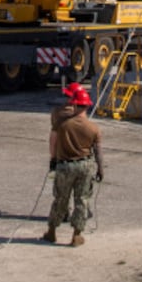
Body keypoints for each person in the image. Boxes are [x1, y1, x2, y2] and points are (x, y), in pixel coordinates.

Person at [45, 83, 103, 247]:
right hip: (85, 166)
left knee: (60, 199)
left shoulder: (61, 122)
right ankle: (76, 235)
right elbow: (98, 151)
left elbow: (53, 143)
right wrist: (101, 169)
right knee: (82, 200)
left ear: (75, 103)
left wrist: (53, 160)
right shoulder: (94, 128)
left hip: (64, 165)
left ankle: (52, 232)